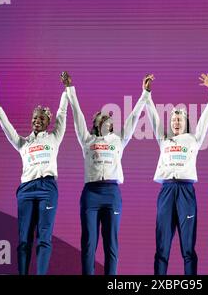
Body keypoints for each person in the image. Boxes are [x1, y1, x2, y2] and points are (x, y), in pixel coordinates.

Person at [63, 72, 150, 275]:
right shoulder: (87, 140)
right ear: (95, 125)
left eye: (108, 120)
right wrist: (69, 89)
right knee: (89, 242)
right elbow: (77, 114)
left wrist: (144, 94)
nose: (105, 122)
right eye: (100, 119)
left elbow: (134, 116)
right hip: (91, 194)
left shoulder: (119, 140)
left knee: (111, 243)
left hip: (112, 193)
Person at [0, 75, 68, 275]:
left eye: (41, 118)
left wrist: (67, 90)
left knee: (44, 239)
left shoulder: (55, 137)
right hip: (26, 190)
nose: (36, 120)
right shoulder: (23, 143)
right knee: (23, 240)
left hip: (47, 189)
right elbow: (5, 125)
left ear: (48, 121)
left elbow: (62, 113)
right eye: (34, 117)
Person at [143, 73, 208, 275]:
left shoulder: (193, 139)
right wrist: (147, 94)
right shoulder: (164, 140)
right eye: (173, 119)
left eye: (180, 119)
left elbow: (205, 117)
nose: (176, 122)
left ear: (186, 123)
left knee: (188, 248)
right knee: (162, 247)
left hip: (186, 191)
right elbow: (153, 116)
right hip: (167, 190)